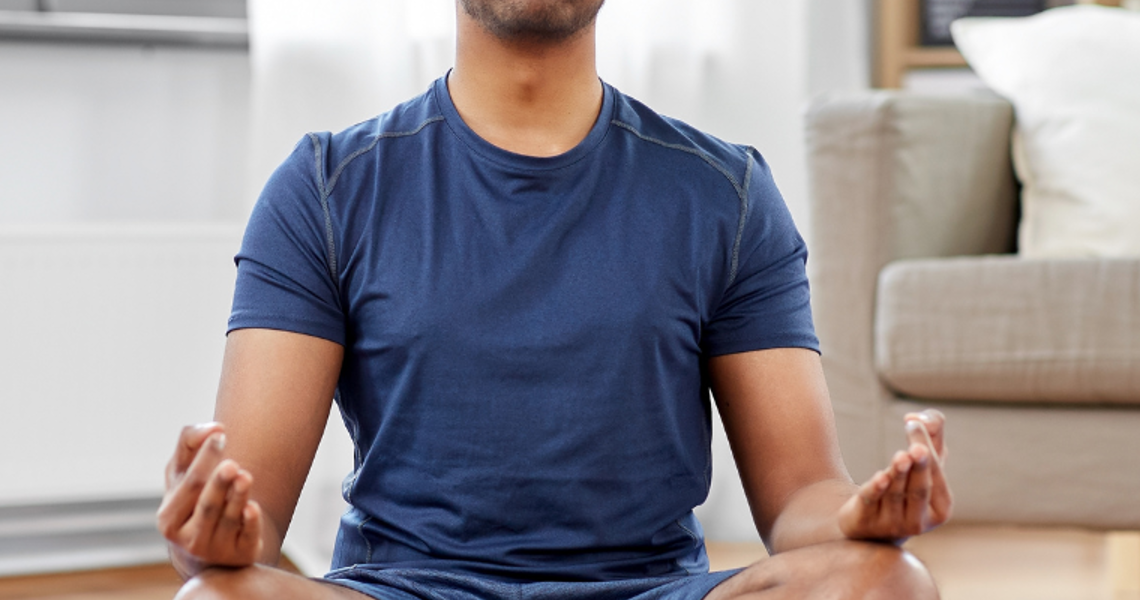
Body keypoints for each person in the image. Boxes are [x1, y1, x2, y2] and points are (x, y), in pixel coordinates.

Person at [157, 0, 951, 598]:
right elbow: (248, 534)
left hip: (647, 590)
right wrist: (211, 536)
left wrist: (851, 518)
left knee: (890, 582)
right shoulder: (325, 188)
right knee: (212, 597)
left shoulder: (726, 195)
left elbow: (801, 498)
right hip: (407, 590)